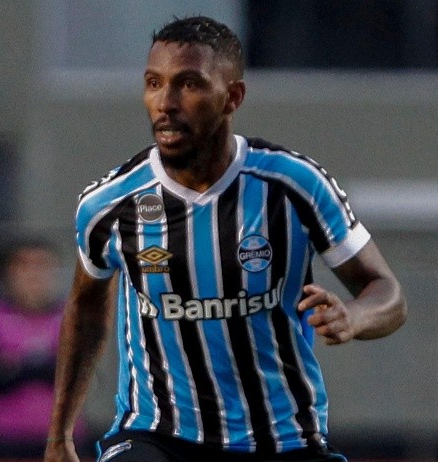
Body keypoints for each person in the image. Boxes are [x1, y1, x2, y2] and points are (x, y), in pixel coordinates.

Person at [44, 16, 407, 462]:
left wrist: (354, 316)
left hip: (282, 440)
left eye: (188, 84)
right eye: (154, 83)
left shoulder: (294, 185)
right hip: (158, 436)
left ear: (232, 96)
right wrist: (59, 435)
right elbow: (84, 309)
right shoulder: (110, 204)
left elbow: (387, 293)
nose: (166, 103)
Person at [0, 237, 90, 458]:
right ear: (9, 273)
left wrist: (18, 365)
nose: (33, 275)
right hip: (7, 438)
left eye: (41, 266)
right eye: (23, 266)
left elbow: (80, 375)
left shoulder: (71, 318)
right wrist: (49, 363)